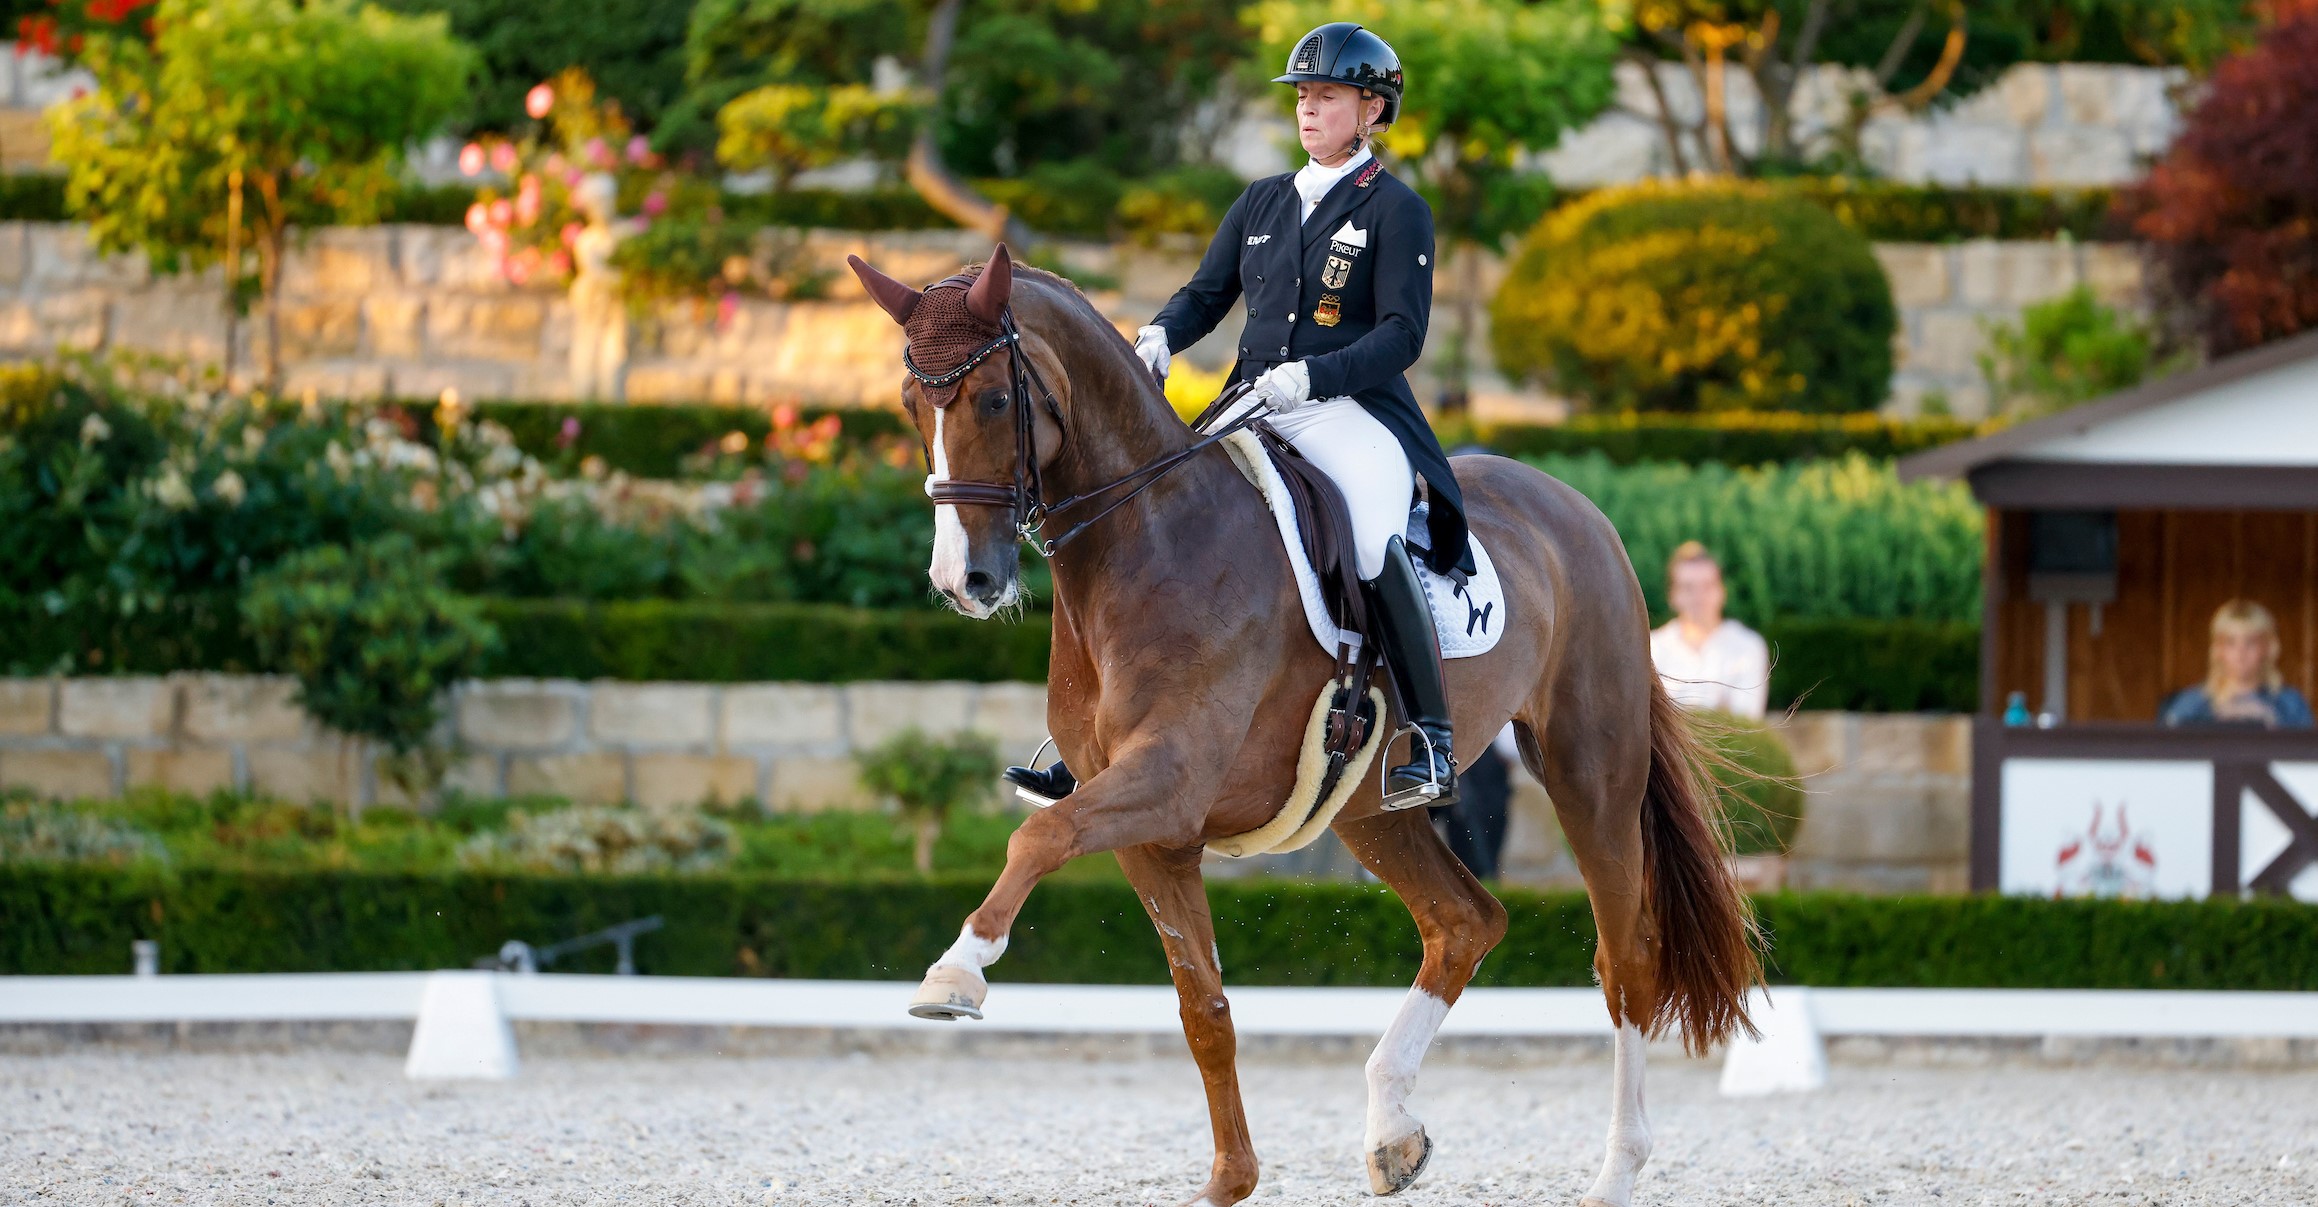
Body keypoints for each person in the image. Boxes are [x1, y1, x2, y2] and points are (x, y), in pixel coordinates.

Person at [1006, 22, 1471, 811]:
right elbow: (1205, 294)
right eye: (1302, 96)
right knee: (1158, 515)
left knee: (1366, 528)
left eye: (1326, 97)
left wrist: (1314, 376)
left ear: (1372, 110)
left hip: (1349, 410)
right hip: (1254, 402)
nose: (1308, 110)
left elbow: (1403, 335)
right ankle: (1091, 730)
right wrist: (1160, 334)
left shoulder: (1397, 211)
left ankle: (1431, 735)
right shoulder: (1262, 200)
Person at [1648, 541, 1769, 721]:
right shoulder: (1653, 647)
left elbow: (1746, 719)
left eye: (1707, 586)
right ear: (1672, 595)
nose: (1699, 597)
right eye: (1688, 588)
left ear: (1722, 591)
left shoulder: (1748, 646)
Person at [2160, 599, 2314, 727]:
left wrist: (2271, 721)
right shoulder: (2193, 704)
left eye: (2250, 642)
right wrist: (2213, 720)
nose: (2241, 652)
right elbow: (2168, 750)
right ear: (2218, 650)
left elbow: (2308, 754)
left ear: (2267, 648)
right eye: (2230, 642)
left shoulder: (2290, 704)